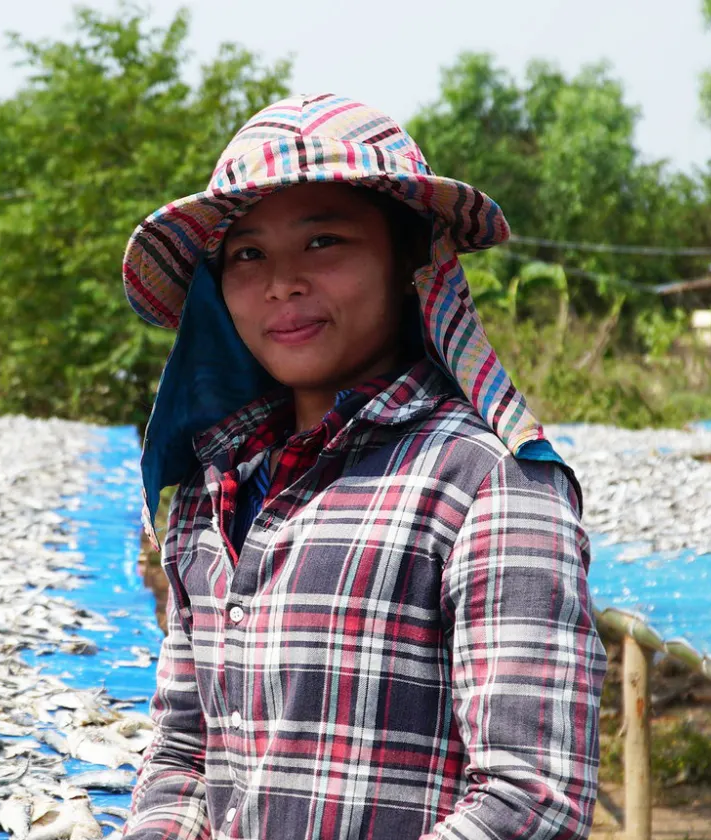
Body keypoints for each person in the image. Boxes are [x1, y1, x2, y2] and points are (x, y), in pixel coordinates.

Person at [119, 93, 605, 840]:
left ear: (411, 262)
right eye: (248, 254)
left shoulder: (486, 484)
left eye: (325, 243)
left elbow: (530, 799)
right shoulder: (213, 495)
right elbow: (186, 749)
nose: (282, 283)